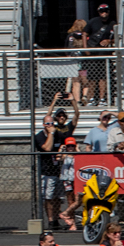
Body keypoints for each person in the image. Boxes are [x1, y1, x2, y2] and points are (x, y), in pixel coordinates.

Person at [38, 98, 80, 230]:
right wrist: (54, 101)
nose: (61, 117)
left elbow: (76, 116)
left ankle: (59, 220)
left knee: (60, 197)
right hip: (49, 169)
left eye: (63, 116)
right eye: (59, 116)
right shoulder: (52, 130)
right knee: (49, 197)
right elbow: (47, 118)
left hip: (62, 170)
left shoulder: (64, 131)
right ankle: (52, 221)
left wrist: (73, 101)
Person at [84, 3, 114, 105]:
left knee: (103, 77)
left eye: (106, 11)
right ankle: (91, 98)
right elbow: (84, 33)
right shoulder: (93, 21)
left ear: (109, 12)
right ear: (98, 12)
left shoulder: (113, 23)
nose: (104, 13)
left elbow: (118, 37)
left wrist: (109, 41)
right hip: (93, 53)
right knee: (92, 78)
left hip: (104, 54)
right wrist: (85, 48)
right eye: (102, 11)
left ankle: (102, 99)